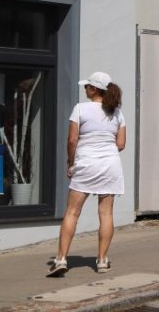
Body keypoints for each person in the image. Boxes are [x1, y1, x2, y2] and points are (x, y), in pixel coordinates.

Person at [48, 71, 125, 277]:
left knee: (72, 212)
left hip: (86, 164)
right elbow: (121, 144)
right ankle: (101, 261)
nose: (85, 89)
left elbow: (72, 141)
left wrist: (71, 164)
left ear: (94, 89)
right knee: (106, 213)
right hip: (110, 165)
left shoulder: (80, 109)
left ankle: (61, 259)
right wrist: (104, 152)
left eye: (87, 86)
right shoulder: (116, 113)